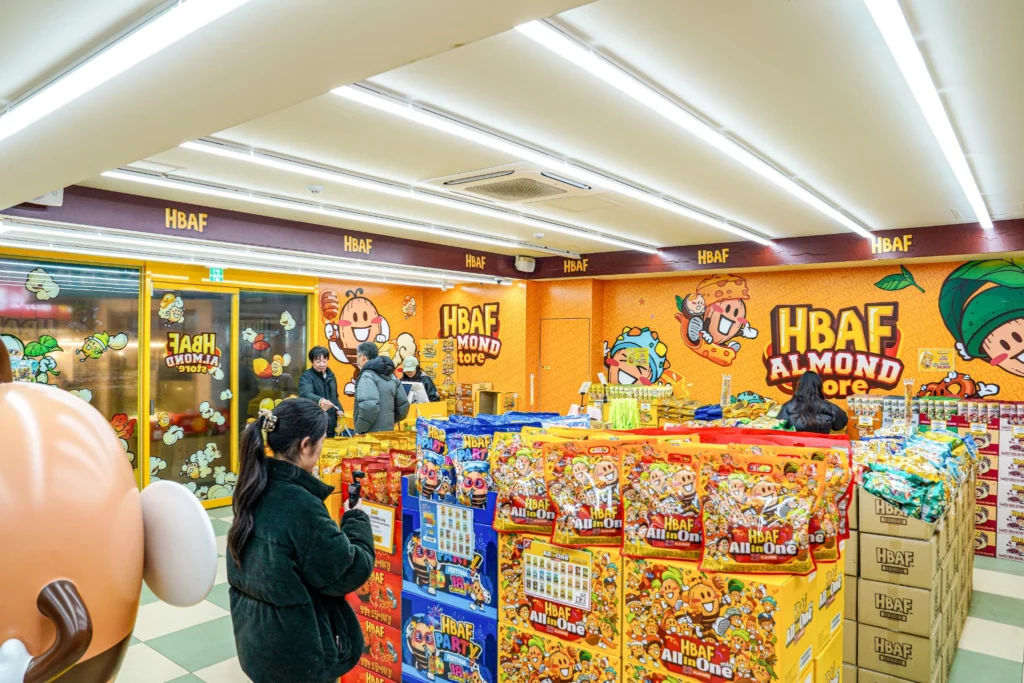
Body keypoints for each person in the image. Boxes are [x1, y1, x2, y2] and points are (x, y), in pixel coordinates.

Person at [227, 399, 374, 683]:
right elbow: (347, 571)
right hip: (297, 653)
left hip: (256, 642)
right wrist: (355, 519)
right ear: (306, 446)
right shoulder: (300, 505)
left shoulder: (252, 485)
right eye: (322, 443)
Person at [353, 341, 409, 434]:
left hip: (369, 435)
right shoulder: (391, 376)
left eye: (357, 357)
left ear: (362, 357)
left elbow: (369, 406)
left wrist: (360, 428)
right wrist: (389, 421)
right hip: (388, 431)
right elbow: (404, 404)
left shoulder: (367, 376)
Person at [777, 371, 849, 434]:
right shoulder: (830, 407)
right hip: (822, 448)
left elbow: (778, 427)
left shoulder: (788, 406)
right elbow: (840, 424)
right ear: (819, 386)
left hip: (796, 447)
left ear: (800, 386)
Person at [299, 346, 343, 435]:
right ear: (312, 362)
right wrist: (320, 401)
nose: (322, 364)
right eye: (318, 362)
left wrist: (339, 410)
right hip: (315, 423)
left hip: (331, 423)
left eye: (324, 361)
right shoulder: (306, 376)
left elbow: (335, 397)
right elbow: (305, 394)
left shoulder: (331, 376)